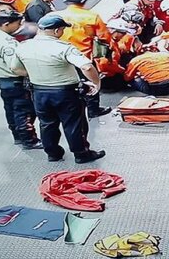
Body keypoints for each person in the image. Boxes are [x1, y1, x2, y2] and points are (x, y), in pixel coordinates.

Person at [16, 15, 106, 164]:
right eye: (63, 29)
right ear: (57, 30)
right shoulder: (64, 48)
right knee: (74, 124)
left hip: (38, 92)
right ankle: (81, 153)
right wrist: (96, 83)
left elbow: (15, 68)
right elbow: (87, 66)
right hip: (65, 92)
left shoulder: (23, 46)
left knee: (47, 123)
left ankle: (53, 153)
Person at [0, 10, 42, 149]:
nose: (20, 26)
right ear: (6, 24)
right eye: (17, 24)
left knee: (10, 109)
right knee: (24, 111)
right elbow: (15, 67)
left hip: (2, 80)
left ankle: (17, 136)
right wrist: (33, 75)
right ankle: (29, 140)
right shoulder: (7, 43)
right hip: (16, 81)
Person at [54, 0, 112, 118]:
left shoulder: (56, 15)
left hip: (59, 56)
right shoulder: (92, 16)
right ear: (83, 1)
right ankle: (93, 109)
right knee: (91, 80)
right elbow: (105, 37)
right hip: (83, 56)